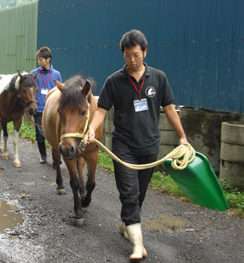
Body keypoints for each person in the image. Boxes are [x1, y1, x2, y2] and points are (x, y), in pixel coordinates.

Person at [85, 29, 188, 262]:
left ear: (144, 52)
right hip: (124, 147)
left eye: (135, 55)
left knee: (139, 195)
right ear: (122, 55)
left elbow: (169, 109)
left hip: (150, 147)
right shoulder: (114, 81)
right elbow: (101, 110)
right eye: (127, 55)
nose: (131, 60)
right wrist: (92, 128)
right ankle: (138, 245)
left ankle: (127, 223)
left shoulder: (159, 78)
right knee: (129, 194)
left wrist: (182, 136)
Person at [31, 46, 62, 164]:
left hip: (52, 111)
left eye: (41, 60)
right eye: (38, 60)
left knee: (55, 135)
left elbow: (59, 92)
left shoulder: (57, 74)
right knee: (40, 135)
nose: (39, 62)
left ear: (48, 59)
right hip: (38, 109)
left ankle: (56, 158)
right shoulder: (34, 73)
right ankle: (43, 156)